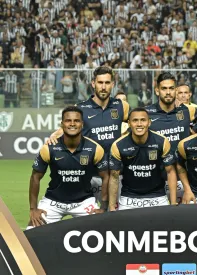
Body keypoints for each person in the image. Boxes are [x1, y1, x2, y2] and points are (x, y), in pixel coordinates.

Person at [47, 66, 130, 205]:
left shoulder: (122, 106)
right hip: (89, 176)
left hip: (115, 176)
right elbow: (67, 128)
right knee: (87, 219)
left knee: (115, 218)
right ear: (93, 84)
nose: (103, 87)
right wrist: (54, 135)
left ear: (113, 84)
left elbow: (136, 125)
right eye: (100, 83)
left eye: (107, 83)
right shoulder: (81, 108)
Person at [27, 106, 108, 229]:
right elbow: (35, 177)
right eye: (68, 120)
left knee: (101, 230)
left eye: (76, 121)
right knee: (31, 231)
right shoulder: (49, 148)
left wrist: (103, 207)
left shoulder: (95, 149)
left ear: (82, 124)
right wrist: (33, 208)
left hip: (84, 202)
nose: (72, 124)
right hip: (53, 202)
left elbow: (106, 177)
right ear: (62, 124)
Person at [145, 72, 197, 203]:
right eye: (164, 89)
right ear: (157, 91)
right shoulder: (146, 113)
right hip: (156, 182)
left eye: (171, 88)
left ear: (176, 90)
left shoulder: (188, 111)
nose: (168, 92)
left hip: (185, 182)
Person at [108, 108, 178, 210]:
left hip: (157, 196)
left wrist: (173, 202)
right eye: (135, 120)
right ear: (129, 123)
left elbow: (170, 172)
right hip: (129, 198)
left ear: (149, 122)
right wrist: (111, 205)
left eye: (143, 120)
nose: (139, 124)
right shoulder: (118, 145)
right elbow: (114, 177)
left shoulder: (162, 141)